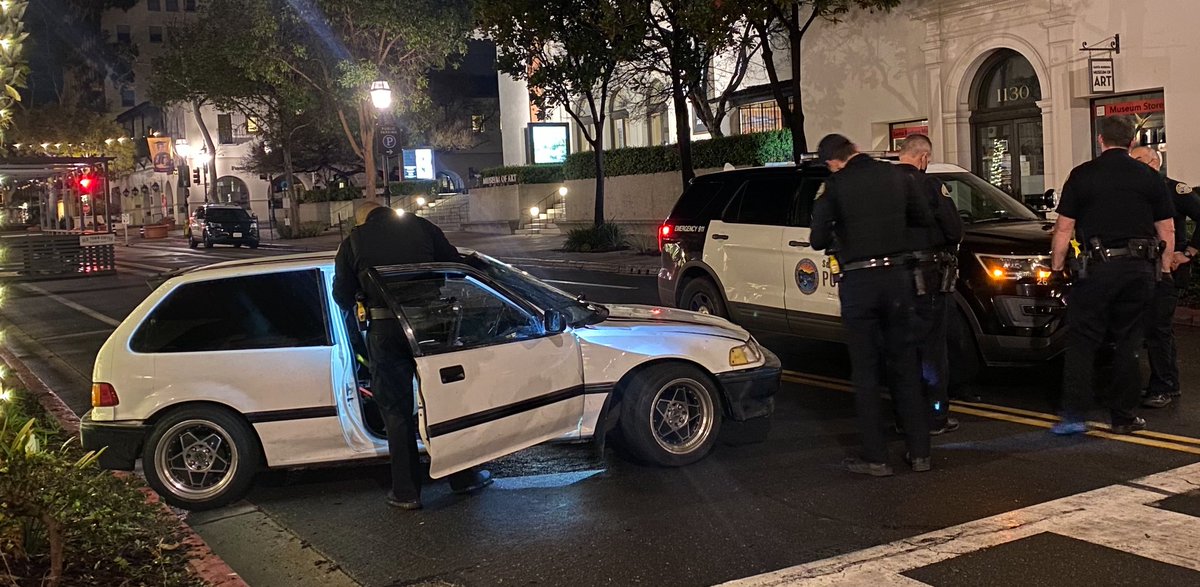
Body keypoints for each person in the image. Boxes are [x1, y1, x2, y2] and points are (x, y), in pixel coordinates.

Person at [333, 200, 493, 510]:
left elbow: (341, 295)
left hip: (385, 330)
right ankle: (462, 478)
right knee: (446, 401)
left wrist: (361, 293)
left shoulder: (353, 241)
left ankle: (406, 492)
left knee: (395, 410)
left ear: (363, 219)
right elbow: (456, 267)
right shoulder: (423, 228)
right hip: (430, 325)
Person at [812, 134, 935, 476]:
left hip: (859, 283)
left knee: (865, 371)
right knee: (905, 365)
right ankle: (920, 452)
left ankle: (876, 457)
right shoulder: (896, 175)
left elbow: (817, 238)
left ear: (833, 161)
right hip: (898, 279)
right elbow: (923, 217)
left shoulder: (835, 186)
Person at [1049, 115, 1175, 435]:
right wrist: (1165, 266)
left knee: (1082, 342)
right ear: (1132, 142)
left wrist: (1057, 265)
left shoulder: (1082, 175)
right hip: (1139, 270)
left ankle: (1075, 415)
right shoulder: (1149, 177)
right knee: (1128, 342)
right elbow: (1167, 228)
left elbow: (1064, 228)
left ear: (1100, 141)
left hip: (1097, 269)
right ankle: (1122, 416)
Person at [894, 134, 964, 435]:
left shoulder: (881, 187)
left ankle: (904, 417)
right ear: (923, 158)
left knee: (900, 349)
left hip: (891, 278)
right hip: (927, 277)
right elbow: (954, 231)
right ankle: (935, 416)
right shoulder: (931, 186)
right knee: (932, 349)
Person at [1131, 145, 1200, 408]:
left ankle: (1165, 387)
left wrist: (1189, 253)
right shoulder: (1135, 193)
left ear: (1154, 163)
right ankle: (1166, 383)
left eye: (1138, 160)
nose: (1133, 165)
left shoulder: (1174, 189)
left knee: (1158, 329)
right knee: (1154, 329)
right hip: (1142, 268)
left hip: (1168, 271)